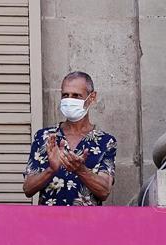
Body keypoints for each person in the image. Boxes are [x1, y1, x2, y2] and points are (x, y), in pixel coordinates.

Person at [22, 71, 116, 206]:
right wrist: (51, 170)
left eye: (76, 96)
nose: (69, 100)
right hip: (48, 222)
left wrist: (80, 170)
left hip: (87, 224)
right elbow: (28, 189)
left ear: (92, 97)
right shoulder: (44, 137)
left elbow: (104, 191)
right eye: (65, 95)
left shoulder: (106, 142)